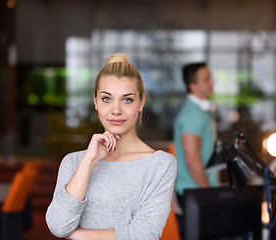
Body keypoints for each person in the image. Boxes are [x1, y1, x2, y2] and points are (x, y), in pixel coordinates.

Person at [45, 53, 177, 240]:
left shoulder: (161, 164)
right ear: (95, 101)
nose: (116, 110)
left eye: (127, 99)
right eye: (107, 98)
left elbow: (145, 234)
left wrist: (78, 236)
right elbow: (58, 226)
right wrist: (89, 161)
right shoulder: (74, 161)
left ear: (141, 102)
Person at [173, 62, 217, 206]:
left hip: (196, 191)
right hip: (195, 192)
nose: (212, 82)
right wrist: (208, 193)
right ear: (192, 86)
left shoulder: (200, 111)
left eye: (210, 78)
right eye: (206, 79)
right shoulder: (193, 115)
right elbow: (192, 159)